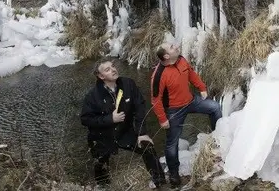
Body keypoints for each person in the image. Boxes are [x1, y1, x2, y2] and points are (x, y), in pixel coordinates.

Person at [80, 58, 166, 188]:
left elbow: (140, 107)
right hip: (102, 136)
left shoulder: (128, 84)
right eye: (107, 69)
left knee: (147, 147)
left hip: (124, 131)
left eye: (113, 66)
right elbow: (85, 119)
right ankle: (104, 187)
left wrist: (142, 133)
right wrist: (110, 119)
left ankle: (160, 182)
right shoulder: (92, 96)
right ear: (101, 76)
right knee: (101, 167)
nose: (113, 69)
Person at [151, 42, 222, 186]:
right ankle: (174, 174)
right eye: (172, 47)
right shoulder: (158, 75)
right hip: (173, 110)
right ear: (166, 56)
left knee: (214, 108)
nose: (176, 46)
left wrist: (201, 88)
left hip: (191, 101)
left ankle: (218, 141)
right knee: (172, 143)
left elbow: (191, 74)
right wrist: (162, 119)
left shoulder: (181, 59)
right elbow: (155, 100)